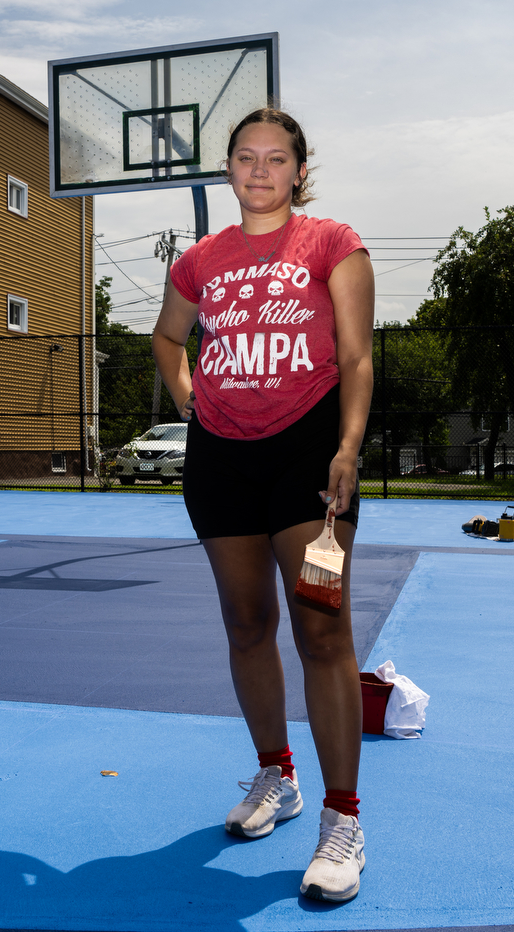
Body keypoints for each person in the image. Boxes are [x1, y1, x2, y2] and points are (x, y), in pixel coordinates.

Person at [151, 107, 374, 902]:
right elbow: (167, 339)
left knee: (321, 629)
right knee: (247, 624)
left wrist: (347, 448)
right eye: (245, 157)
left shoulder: (333, 245)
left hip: (308, 460)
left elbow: (355, 354)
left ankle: (342, 819)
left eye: (276, 159)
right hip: (221, 462)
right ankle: (276, 776)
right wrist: (189, 401)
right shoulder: (202, 261)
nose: (259, 170)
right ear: (229, 170)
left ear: (299, 172)